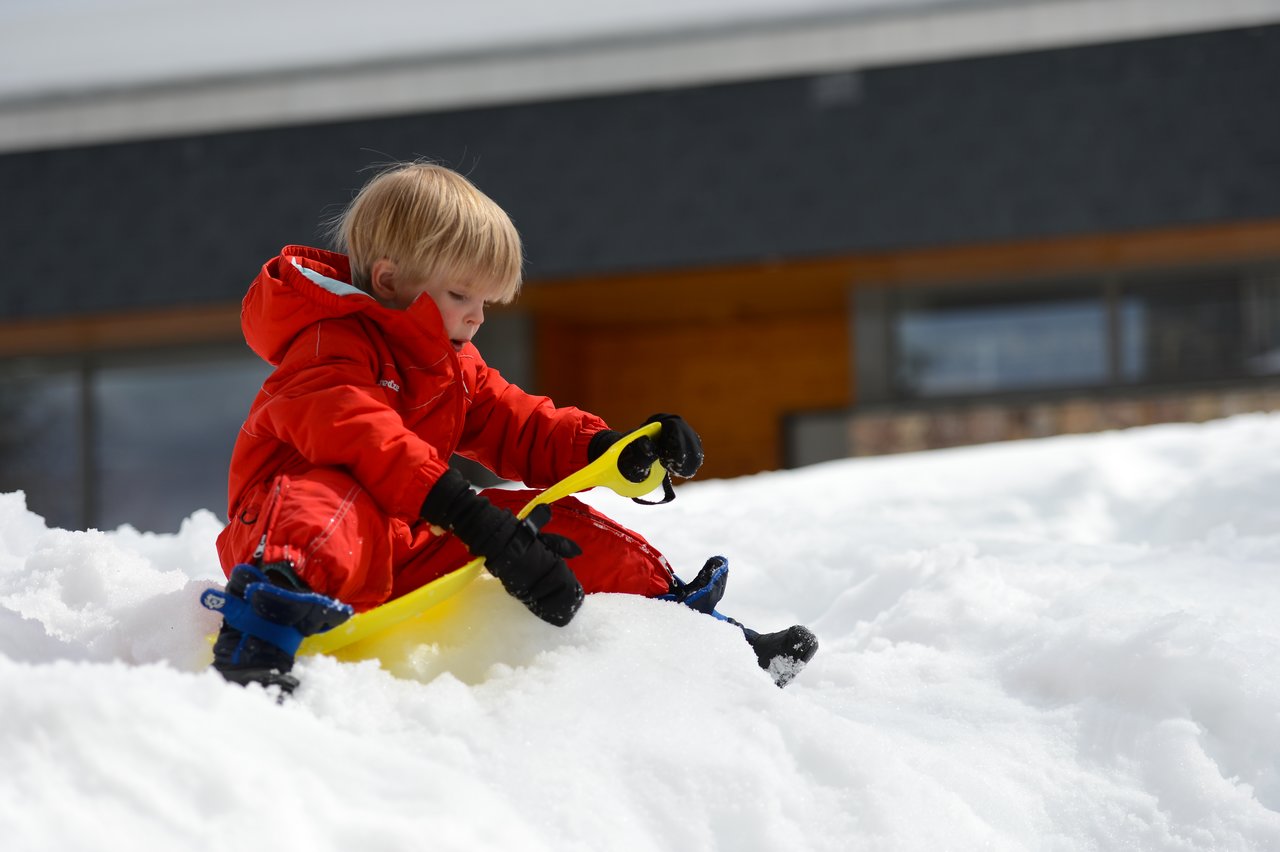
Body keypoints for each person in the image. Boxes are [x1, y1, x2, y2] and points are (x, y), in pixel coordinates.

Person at [201, 162, 818, 694]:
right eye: (461, 294)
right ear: (390, 280)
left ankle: (708, 639)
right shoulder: (325, 348)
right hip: (298, 543)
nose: (476, 316)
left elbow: (516, 423)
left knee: (551, 522)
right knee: (332, 501)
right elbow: (362, 439)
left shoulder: (452, 364)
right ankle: (261, 631)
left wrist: (613, 448)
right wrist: (472, 517)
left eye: (487, 304)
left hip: (404, 542)